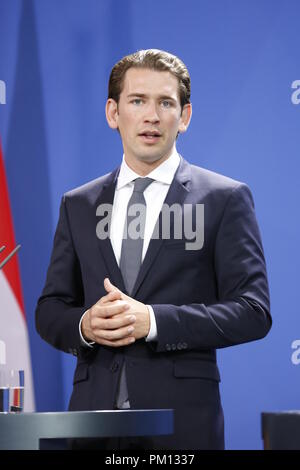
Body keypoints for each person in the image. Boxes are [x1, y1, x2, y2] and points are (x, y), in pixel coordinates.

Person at [35, 49, 271, 450]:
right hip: (92, 424)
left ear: (185, 117)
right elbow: (50, 310)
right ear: (114, 113)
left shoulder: (224, 199)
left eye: (166, 102)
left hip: (182, 426)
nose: (152, 115)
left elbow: (252, 311)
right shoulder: (79, 204)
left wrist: (154, 321)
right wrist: (85, 326)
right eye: (138, 101)